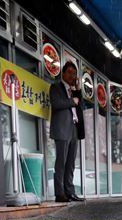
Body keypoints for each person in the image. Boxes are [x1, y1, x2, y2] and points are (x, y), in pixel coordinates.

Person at [49, 61, 85, 202]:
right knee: (61, 162)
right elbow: (56, 104)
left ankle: (70, 192)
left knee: (70, 163)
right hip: (62, 128)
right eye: (69, 72)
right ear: (63, 73)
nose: (72, 75)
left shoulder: (74, 91)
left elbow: (80, 106)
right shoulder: (55, 87)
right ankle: (60, 194)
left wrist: (77, 90)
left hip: (74, 128)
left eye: (74, 73)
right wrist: (71, 100)